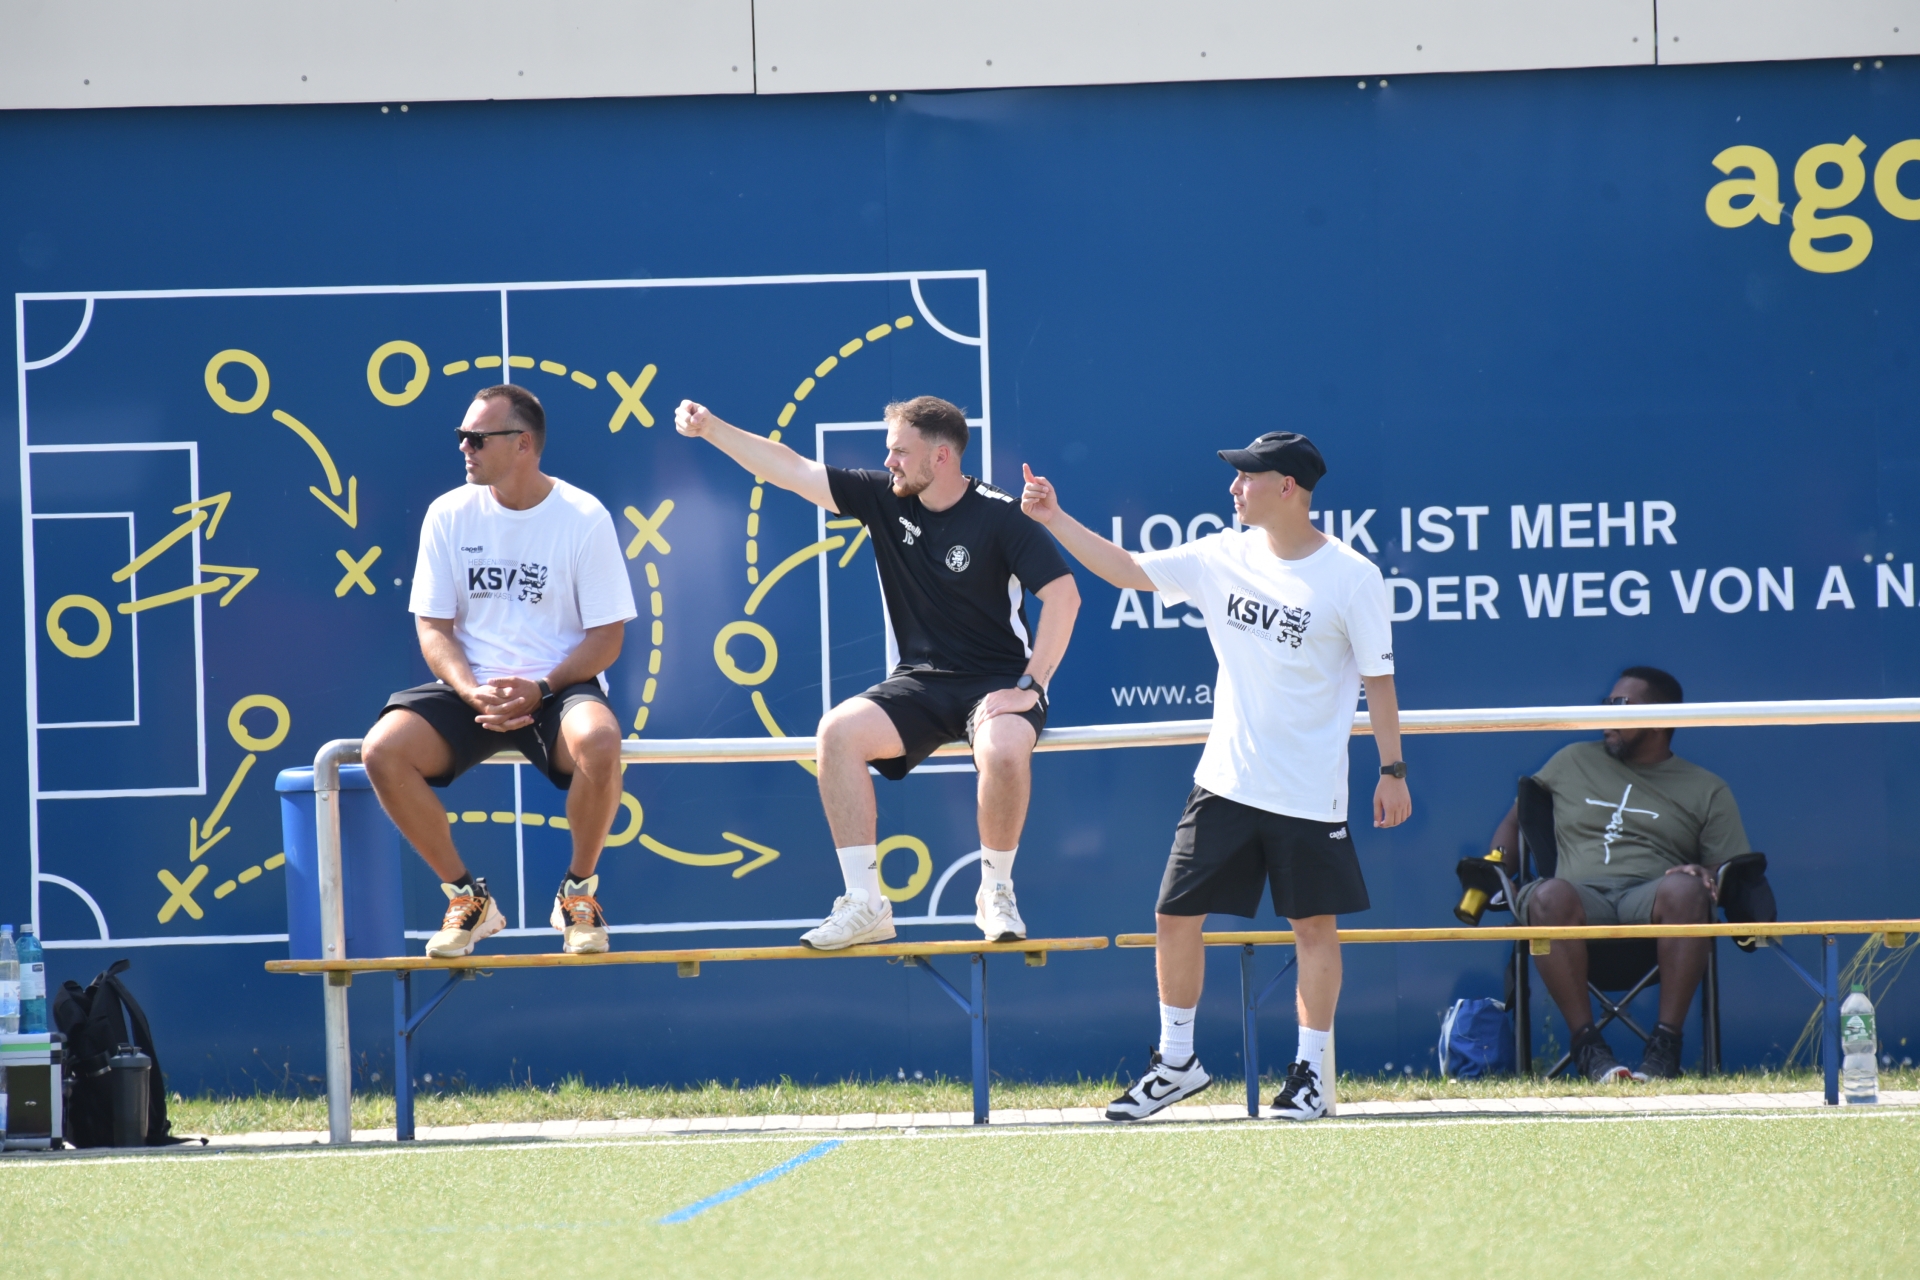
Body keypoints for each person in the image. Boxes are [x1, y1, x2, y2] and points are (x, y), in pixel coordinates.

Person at [1022, 431, 1410, 1122]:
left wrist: (1392, 770)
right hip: (1225, 782)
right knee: (1173, 916)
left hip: (1308, 792)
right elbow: (1124, 569)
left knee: (1313, 928)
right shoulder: (1220, 555)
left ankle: (1312, 1076)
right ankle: (1177, 1063)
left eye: (1248, 477)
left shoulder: (1353, 576)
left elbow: (1379, 681)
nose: (1234, 487)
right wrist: (1053, 518)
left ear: (1286, 487)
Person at [675, 395, 1080, 948]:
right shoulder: (885, 497)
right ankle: (865, 903)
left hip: (997, 681)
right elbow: (792, 469)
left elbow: (1064, 596)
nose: (888, 462)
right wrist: (712, 428)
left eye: (899, 452)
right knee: (836, 733)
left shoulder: (1002, 515)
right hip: (920, 681)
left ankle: (996, 891)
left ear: (941, 457)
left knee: (1005, 750)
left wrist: (1030, 687)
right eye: (889, 451)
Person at [362, 385, 636, 958]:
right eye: (462, 436)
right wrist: (471, 690)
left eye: (477, 438)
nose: (464, 447)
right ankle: (467, 898)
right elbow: (433, 629)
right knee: (382, 750)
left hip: (557, 687)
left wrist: (541, 688)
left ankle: (578, 894)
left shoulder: (584, 516)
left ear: (523, 444)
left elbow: (607, 638)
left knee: (601, 740)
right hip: (472, 688)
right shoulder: (448, 512)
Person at [1489, 666, 1747, 1082]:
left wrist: (1705, 873)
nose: (1606, 713)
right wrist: (1497, 871)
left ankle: (1665, 1049)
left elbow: (1728, 867)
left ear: (1660, 719)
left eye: (1620, 705)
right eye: (1606, 703)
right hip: (1577, 904)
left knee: (1687, 891)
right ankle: (1588, 1048)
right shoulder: (1571, 760)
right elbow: (1517, 820)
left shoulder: (1707, 788)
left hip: (1652, 910)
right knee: (1548, 895)